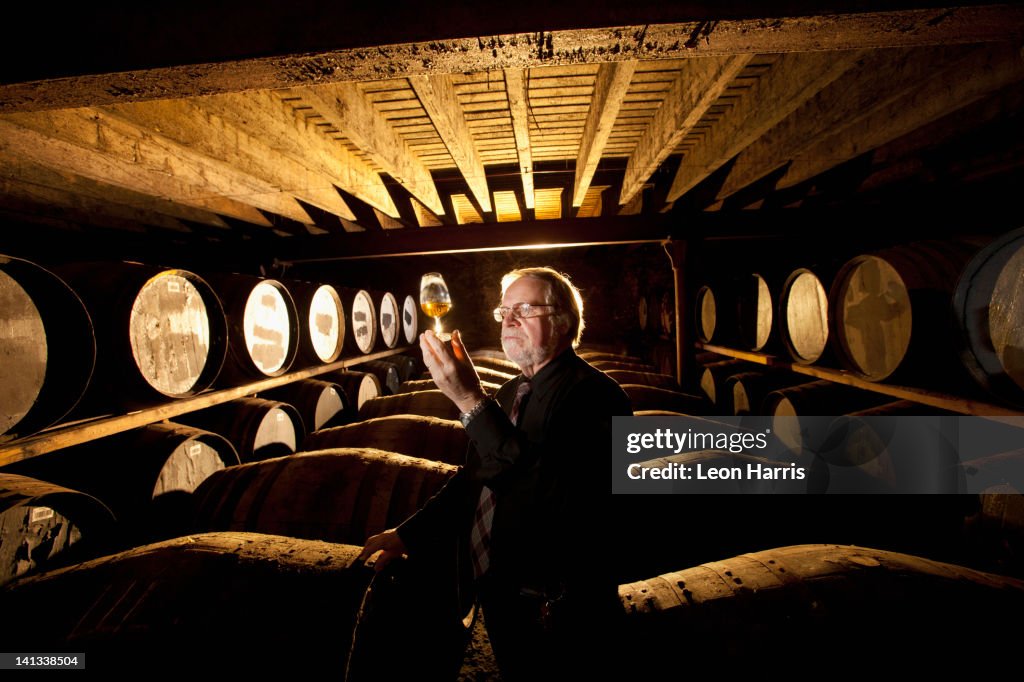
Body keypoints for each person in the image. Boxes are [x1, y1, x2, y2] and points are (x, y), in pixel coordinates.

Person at [358, 266, 633, 680]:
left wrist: (469, 398)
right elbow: (477, 477)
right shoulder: (510, 393)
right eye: (503, 311)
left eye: (524, 308)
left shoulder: (596, 396)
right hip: (501, 593)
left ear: (563, 320)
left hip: (557, 607)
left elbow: (551, 496)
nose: (509, 320)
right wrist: (408, 534)